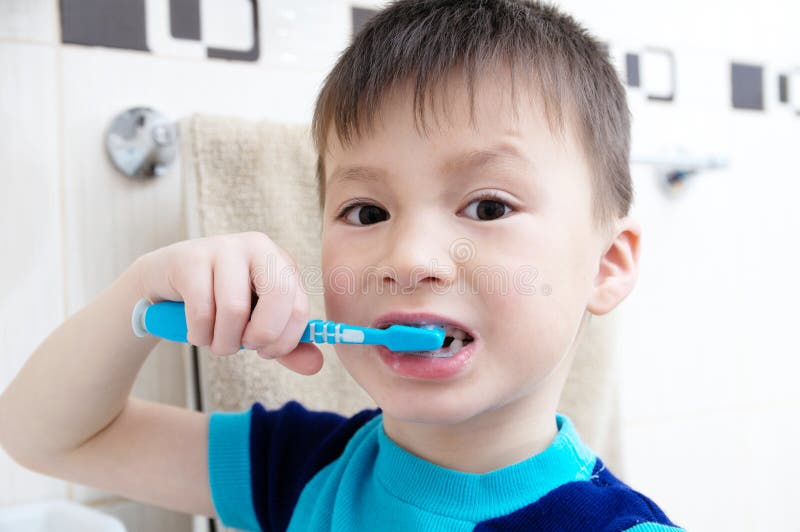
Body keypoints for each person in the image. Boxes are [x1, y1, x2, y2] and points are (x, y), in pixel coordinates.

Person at [0, 1, 683, 530]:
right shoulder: (305, 470)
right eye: (366, 212)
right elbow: (45, 436)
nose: (409, 259)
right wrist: (142, 289)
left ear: (607, 265)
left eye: (487, 206)